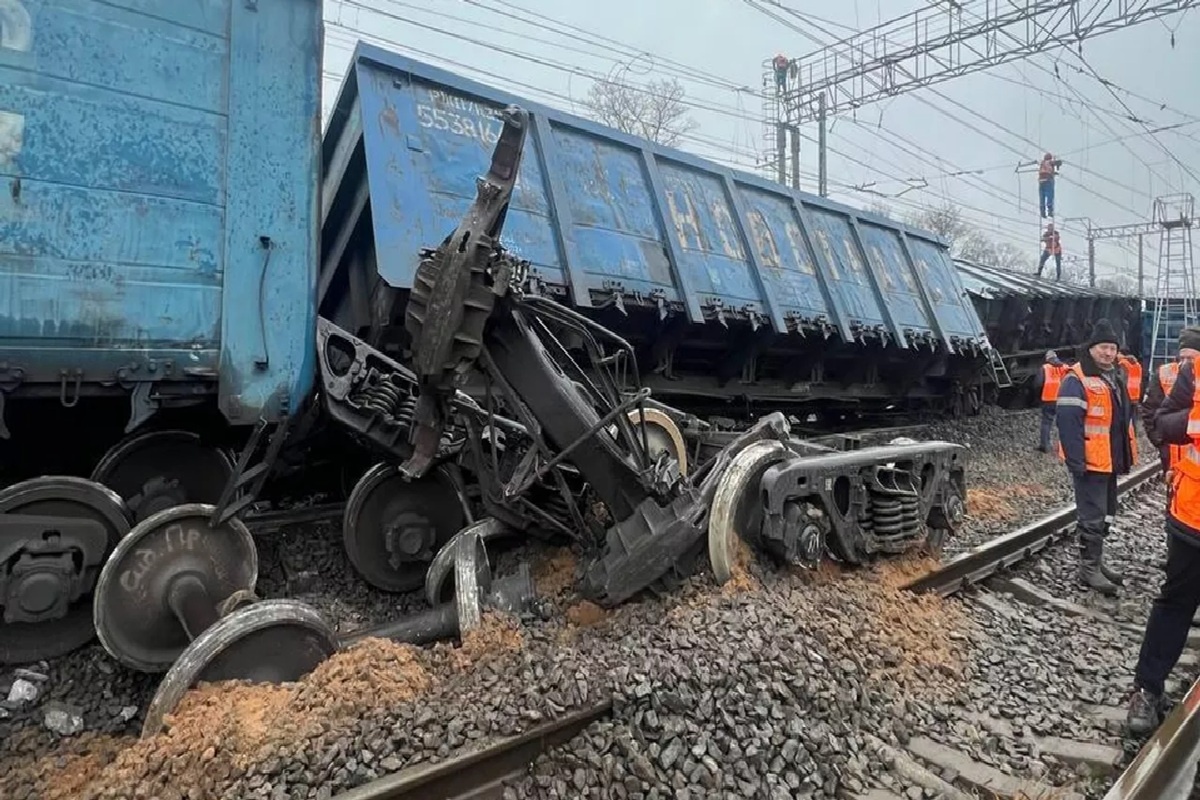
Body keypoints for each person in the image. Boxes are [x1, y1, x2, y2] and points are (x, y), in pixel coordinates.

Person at [1126, 342, 1200, 734]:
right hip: (1193, 518)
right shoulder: (1196, 371)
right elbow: (1164, 421)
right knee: (1174, 604)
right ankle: (1147, 690)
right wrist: (1195, 419)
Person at [1055, 318, 1137, 596]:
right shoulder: (1075, 378)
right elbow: (1068, 423)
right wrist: (1076, 461)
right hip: (1090, 462)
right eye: (1103, 347)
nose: (1108, 353)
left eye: (1112, 348)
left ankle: (1097, 563)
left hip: (1109, 459)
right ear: (1091, 348)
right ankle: (1088, 568)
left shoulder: (1113, 376)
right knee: (1092, 515)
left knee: (1106, 514)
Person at [1141, 328, 1200, 475]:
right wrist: (1159, 441)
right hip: (1171, 451)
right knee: (1174, 492)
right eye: (1182, 358)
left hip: (1193, 454)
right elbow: (1149, 410)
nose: (1185, 363)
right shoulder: (1164, 372)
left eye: (1191, 359)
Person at [1032, 350, 1067, 452]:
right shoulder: (1065, 367)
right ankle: (1063, 447)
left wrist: (1038, 397)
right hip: (1063, 399)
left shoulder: (1045, 368)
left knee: (1046, 423)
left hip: (1049, 399)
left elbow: (1037, 384)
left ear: (1047, 359)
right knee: (1064, 423)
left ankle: (1045, 446)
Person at [1118, 349, 1144, 427]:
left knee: (1126, 418)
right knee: (1133, 419)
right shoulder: (1137, 364)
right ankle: (1134, 435)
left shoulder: (1123, 363)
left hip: (1126, 393)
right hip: (1135, 393)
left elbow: (1122, 379)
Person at [1038, 152, 1063, 218]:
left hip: (1041, 181)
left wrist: (1054, 172)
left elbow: (1047, 170)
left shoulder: (1042, 164)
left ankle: (1042, 212)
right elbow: (1057, 162)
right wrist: (1058, 163)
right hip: (1048, 181)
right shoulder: (1049, 162)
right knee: (1050, 196)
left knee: (1042, 198)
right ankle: (1049, 211)